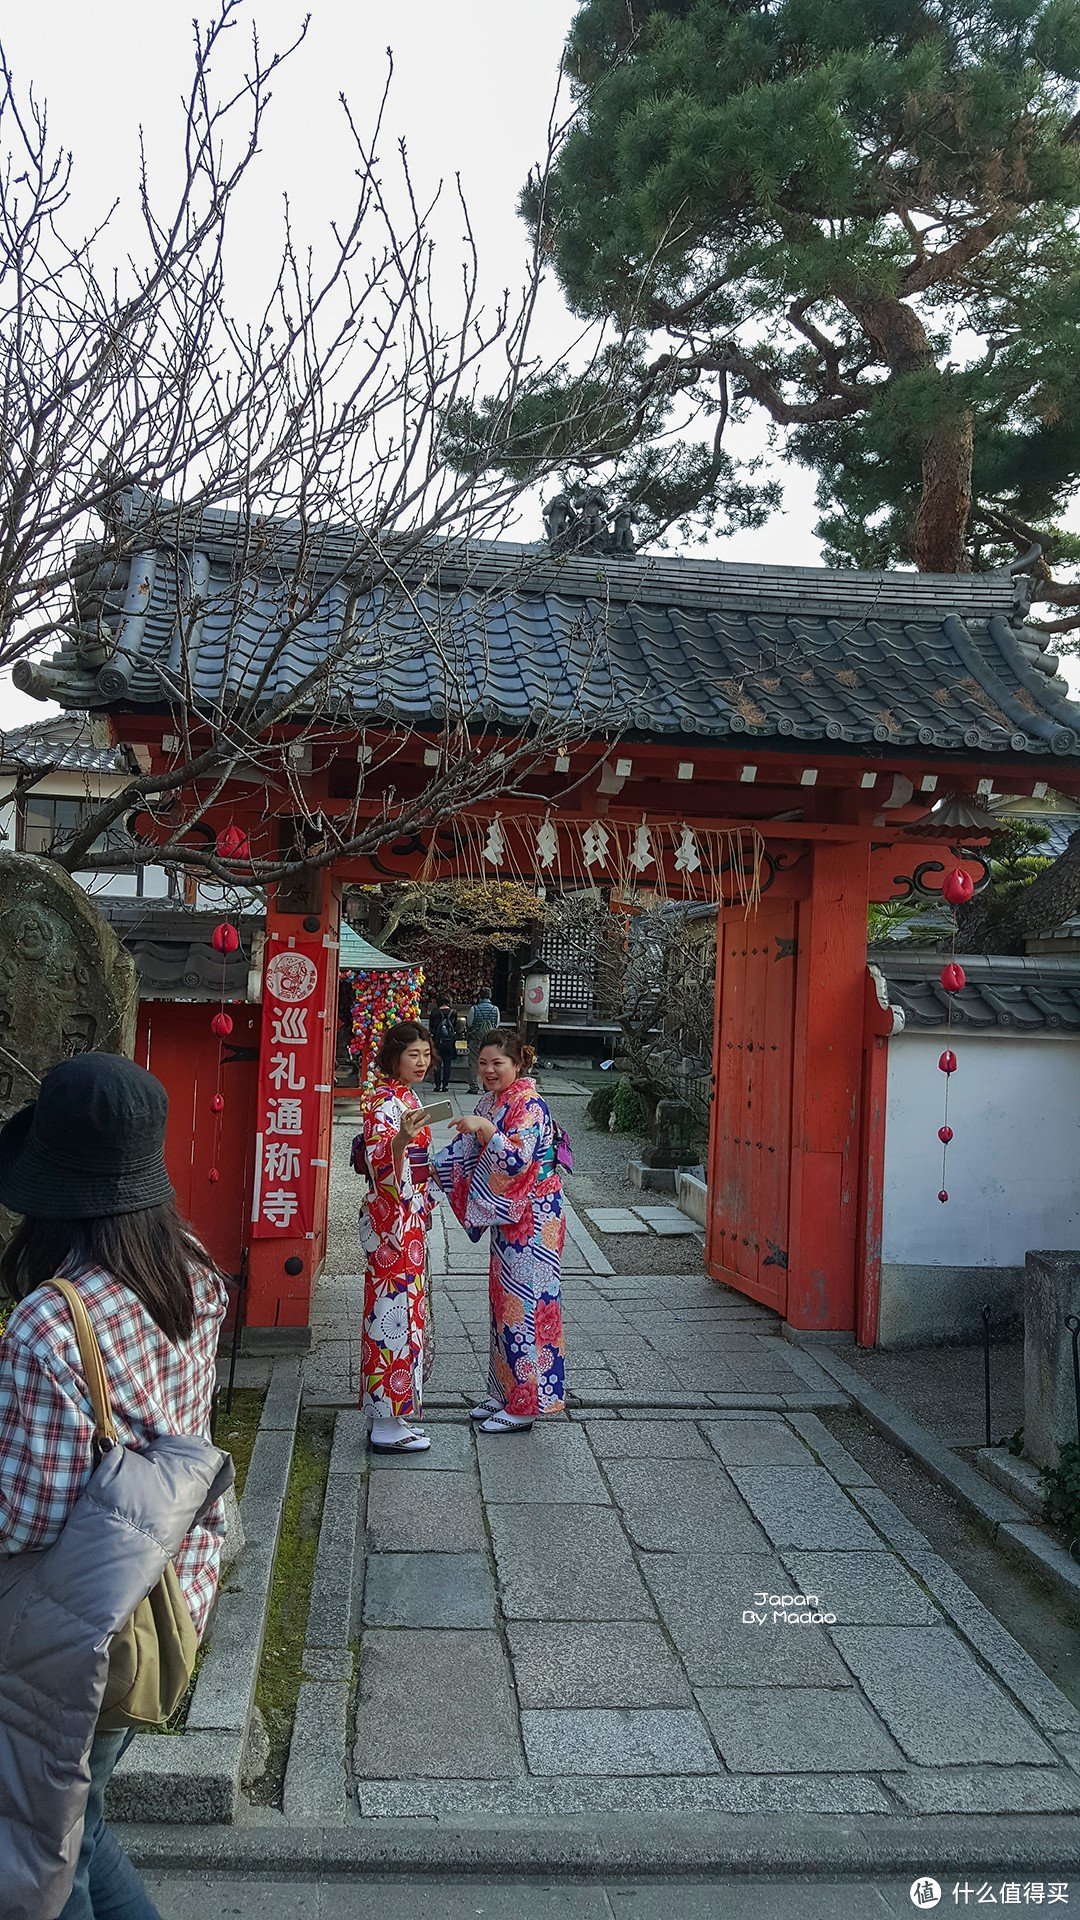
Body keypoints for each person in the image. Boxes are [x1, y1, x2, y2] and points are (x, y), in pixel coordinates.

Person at [0, 1051, 228, 1920]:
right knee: (82, 1824)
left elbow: (24, 1520)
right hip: (167, 1594)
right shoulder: (191, 1269)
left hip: (74, 1635)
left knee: (56, 1847)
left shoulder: (50, 1322)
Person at [434, 1027, 565, 1435]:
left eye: (499, 1063)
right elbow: (463, 1152)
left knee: (526, 1308)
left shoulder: (529, 1105)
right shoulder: (493, 1101)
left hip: (535, 1216)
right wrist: (424, 1167)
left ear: (518, 1064)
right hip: (512, 1215)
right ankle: (502, 1391)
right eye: (484, 1063)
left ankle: (526, 1404)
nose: (489, 1070)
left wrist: (487, 1130)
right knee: (502, 1306)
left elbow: (515, 1160)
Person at [358, 1021, 437, 1453]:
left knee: (406, 1317)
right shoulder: (382, 1105)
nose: (422, 1062)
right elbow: (380, 1167)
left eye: (426, 1054)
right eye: (414, 1055)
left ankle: (393, 1413)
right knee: (392, 1318)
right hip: (393, 1225)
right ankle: (386, 1424)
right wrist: (400, 1143)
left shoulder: (405, 1098)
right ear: (394, 1057)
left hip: (408, 1221)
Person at [466, 989, 501, 1093]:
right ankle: (487, 1085)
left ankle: (473, 1086)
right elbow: (497, 1024)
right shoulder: (495, 1009)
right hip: (489, 1041)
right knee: (488, 1063)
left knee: (473, 1062)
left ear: (479, 996)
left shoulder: (474, 1009)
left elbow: (469, 1023)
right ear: (490, 996)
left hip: (476, 1039)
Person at [430, 1000, 458, 1093]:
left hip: (437, 1041)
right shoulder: (453, 1012)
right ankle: (445, 1085)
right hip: (449, 1041)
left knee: (437, 1063)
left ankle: (437, 1085)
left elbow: (431, 1027)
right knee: (447, 1063)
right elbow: (455, 1025)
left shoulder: (434, 1012)